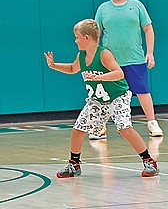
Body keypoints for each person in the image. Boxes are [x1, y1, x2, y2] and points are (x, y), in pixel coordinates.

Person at [45, 19, 158, 179]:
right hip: (97, 100)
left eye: (77, 37)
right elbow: (72, 68)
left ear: (86, 37)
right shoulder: (82, 55)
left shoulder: (104, 54)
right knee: (78, 130)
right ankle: (74, 165)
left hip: (118, 97)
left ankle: (149, 161)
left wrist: (101, 77)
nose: (75, 40)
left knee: (124, 128)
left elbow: (119, 73)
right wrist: (54, 65)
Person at [94, 0, 161, 139]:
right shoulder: (103, 9)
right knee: (105, 93)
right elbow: (96, 34)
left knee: (143, 91)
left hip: (135, 58)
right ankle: (101, 127)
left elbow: (148, 29)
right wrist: (94, 57)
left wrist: (150, 52)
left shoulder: (136, 6)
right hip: (110, 61)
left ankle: (152, 123)